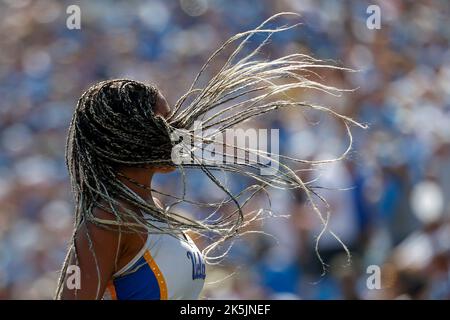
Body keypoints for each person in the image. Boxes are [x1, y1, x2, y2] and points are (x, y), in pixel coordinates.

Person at [55, 13, 365, 300]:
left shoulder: (151, 208)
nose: (177, 130)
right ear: (126, 137)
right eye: (164, 121)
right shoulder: (108, 221)